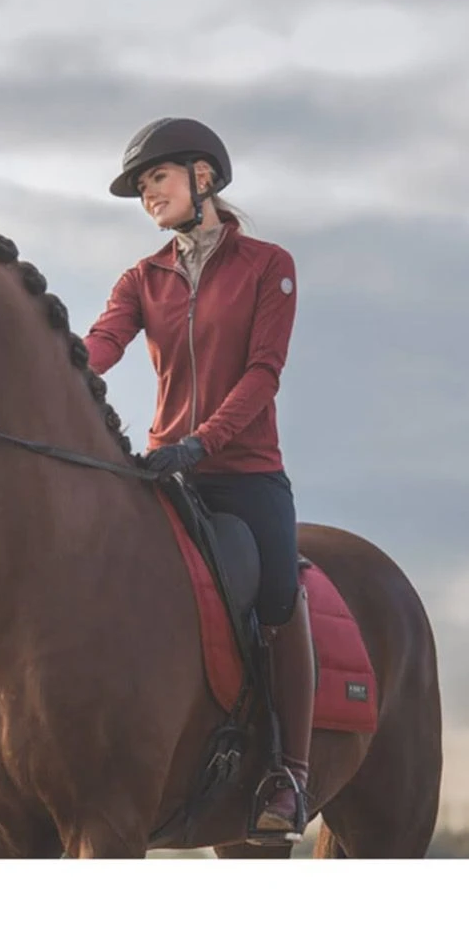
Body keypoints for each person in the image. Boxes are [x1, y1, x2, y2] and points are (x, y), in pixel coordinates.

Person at [83, 117, 314, 839]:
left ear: (203, 177)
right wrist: (47, 370)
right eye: (141, 187)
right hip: (164, 471)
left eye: (157, 178)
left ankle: (288, 772)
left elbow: (263, 373)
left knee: (279, 599)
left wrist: (202, 442)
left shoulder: (269, 265)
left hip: (245, 473)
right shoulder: (140, 278)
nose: (148, 195)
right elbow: (101, 344)